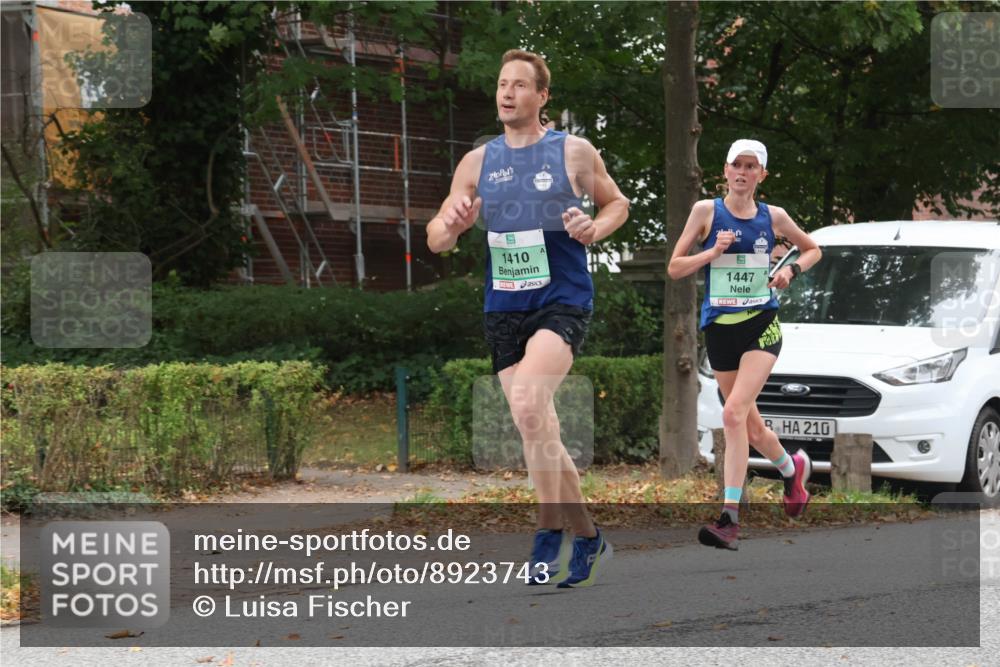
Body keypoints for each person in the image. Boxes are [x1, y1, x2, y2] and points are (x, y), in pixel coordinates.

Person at [427, 49, 630, 586]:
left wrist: (595, 228)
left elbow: (617, 205)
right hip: (503, 308)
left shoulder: (574, 153)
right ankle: (588, 537)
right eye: (501, 84)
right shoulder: (476, 162)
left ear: (543, 97)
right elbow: (439, 238)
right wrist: (451, 222)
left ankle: (547, 537)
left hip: (560, 299)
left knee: (527, 402)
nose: (507, 93)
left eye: (520, 85)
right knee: (536, 424)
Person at [667, 139, 822, 550]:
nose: (741, 171)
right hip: (720, 331)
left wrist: (791, 271)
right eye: (736, 163)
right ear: (725, 170)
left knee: (733, 414)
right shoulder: (706, 212)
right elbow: (674, 266)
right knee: (751, 427)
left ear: (761, 175)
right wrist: (710, 252)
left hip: (761, 327)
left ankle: (729, 519)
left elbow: (812, 249)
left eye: (750, 166)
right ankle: (792, 471)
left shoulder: (774, 217)